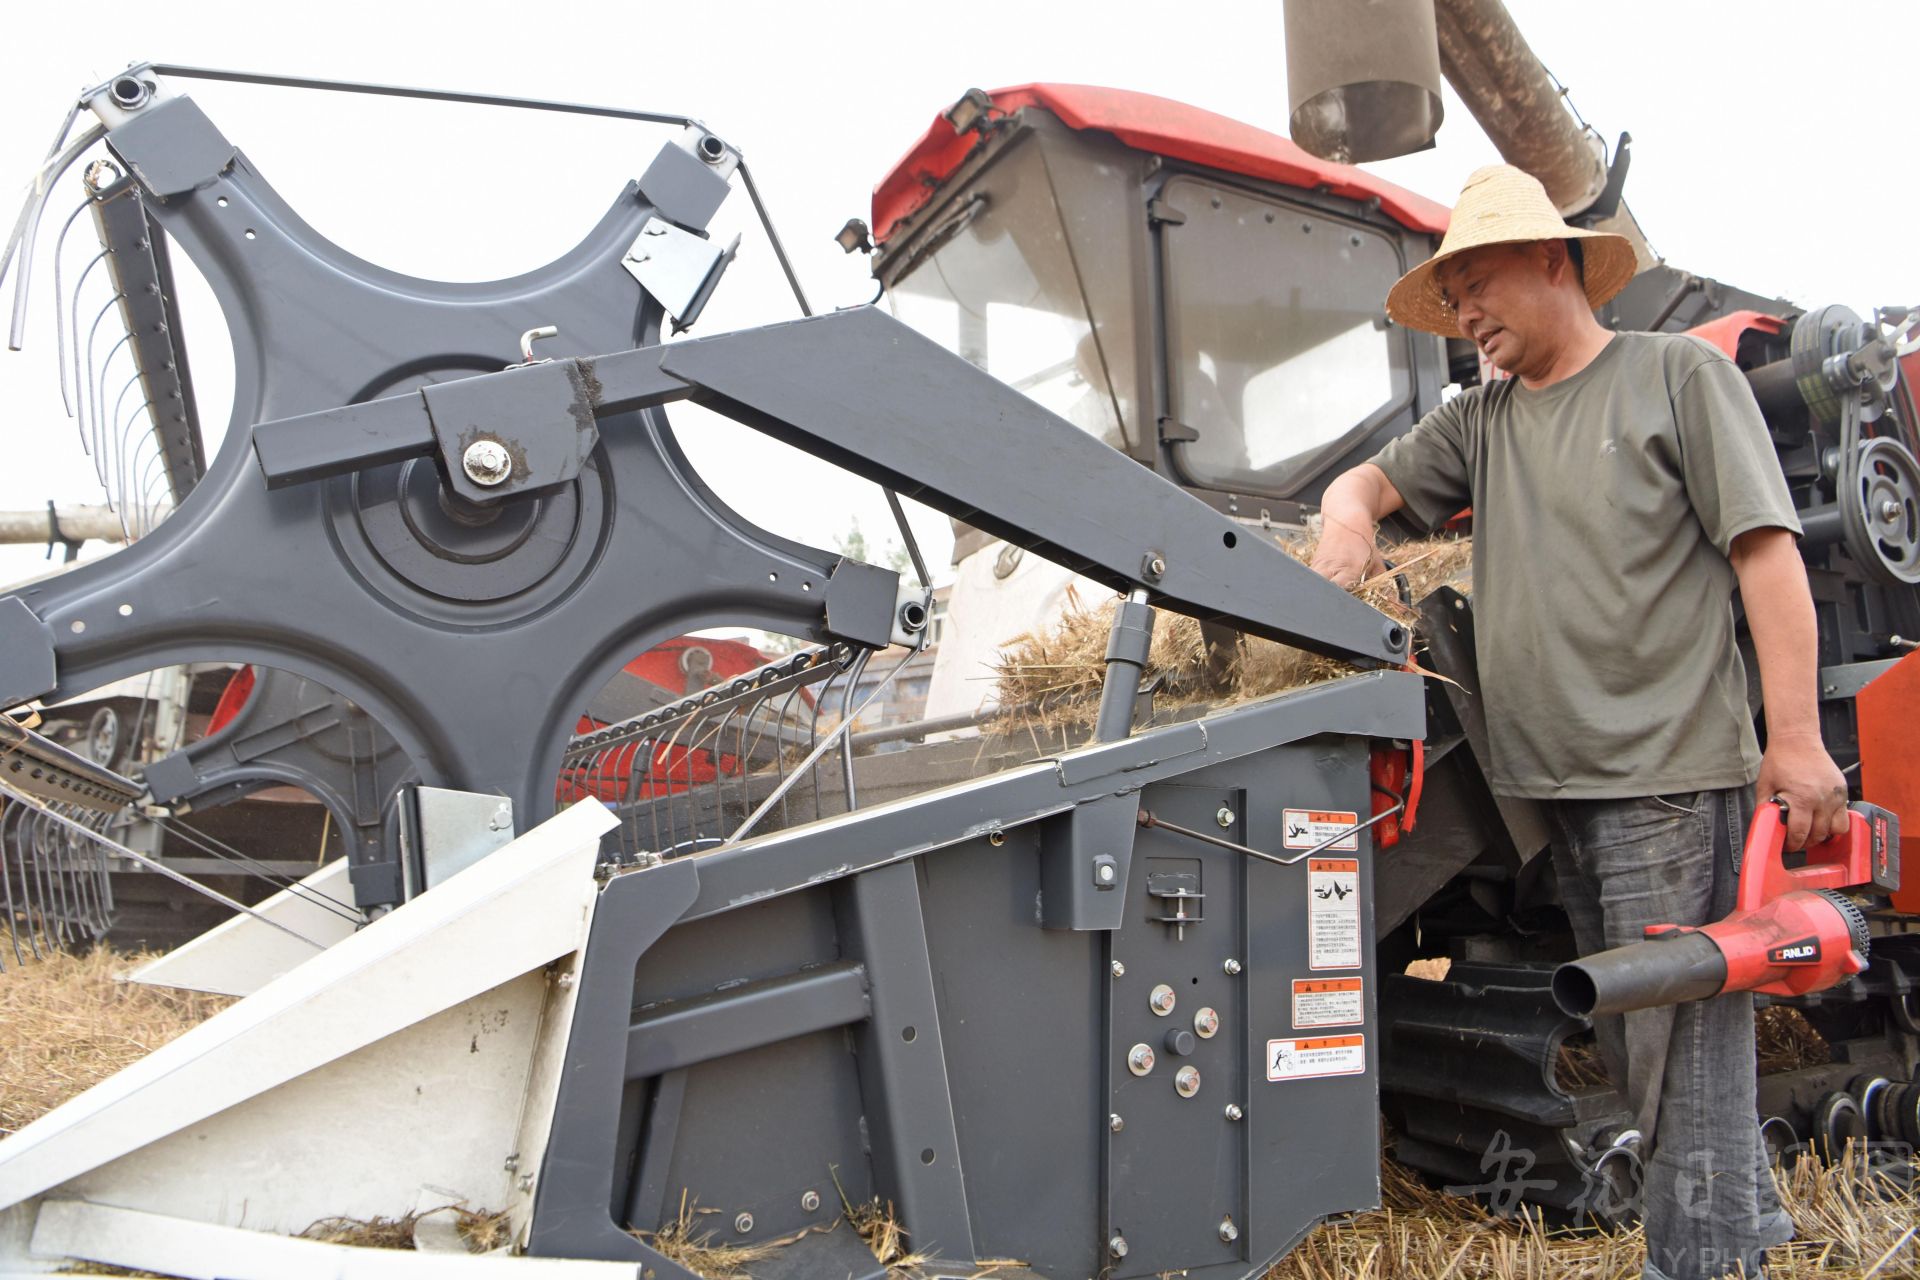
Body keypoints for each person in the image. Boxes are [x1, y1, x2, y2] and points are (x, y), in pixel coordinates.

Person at [1309, 165, 1847, 1280]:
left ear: (1556, 261)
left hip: (1664, 771)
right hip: (1552, 792)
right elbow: (1365, 483)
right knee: (1642, 1041)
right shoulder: (1484, 419)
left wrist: (1795, 739)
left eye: (1480, 282)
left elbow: (1766, 554)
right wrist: (1344, 526)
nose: (1465, 315)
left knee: (1672, 1045)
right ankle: (1752, 1232)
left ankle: (1700, 1261)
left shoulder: (1674, 379)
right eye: (1451, 296)